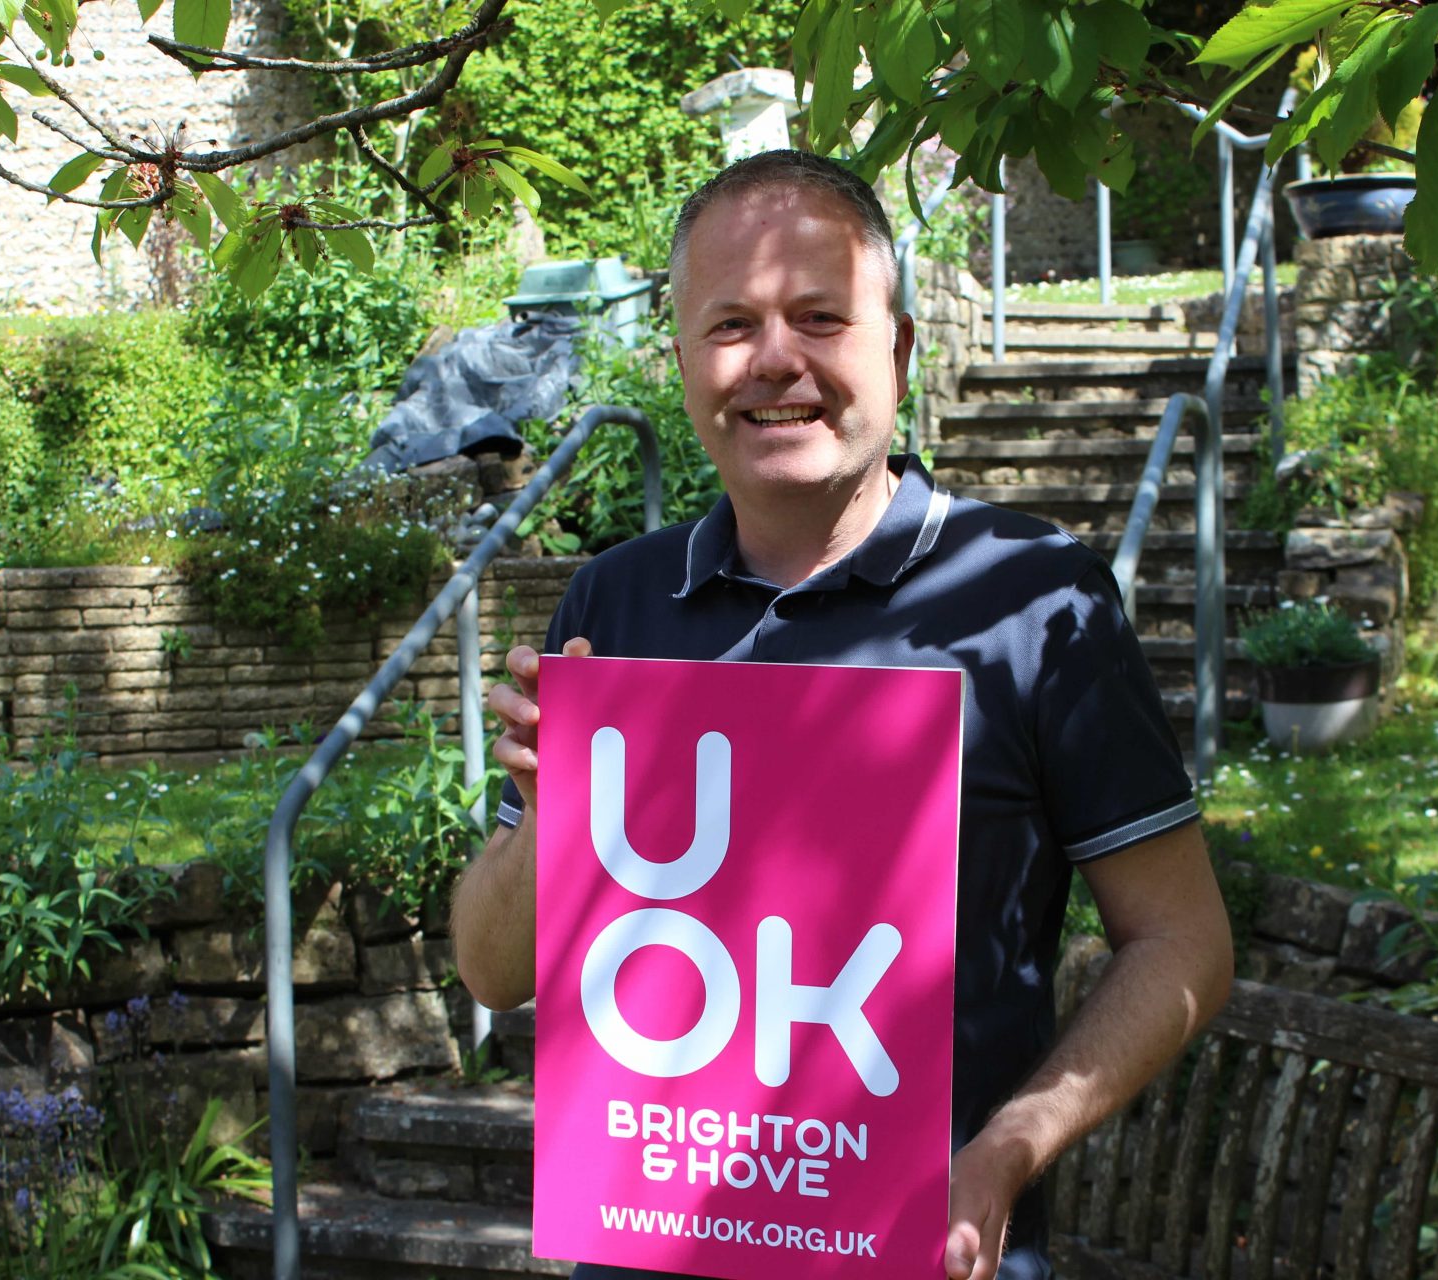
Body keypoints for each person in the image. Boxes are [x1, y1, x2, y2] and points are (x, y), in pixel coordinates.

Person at [451, 149, 1233, 1280]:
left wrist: (1003, 1154)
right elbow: (492, 971)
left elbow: (1185, 939)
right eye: (730, 326)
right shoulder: (613, 602)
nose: (776, 360)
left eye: (820, 315)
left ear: (899, 349)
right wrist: (547, 817)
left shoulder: (1033, 595)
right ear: (680, 365)